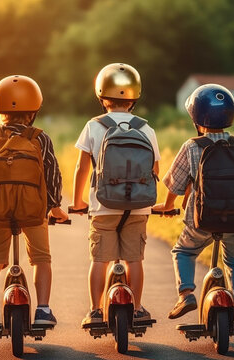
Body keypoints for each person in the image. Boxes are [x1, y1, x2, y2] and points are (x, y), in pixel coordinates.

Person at [0, 75, 68, 329]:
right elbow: (52, 174)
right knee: (41, 259)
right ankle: (43, 310)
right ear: (34, 110)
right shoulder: (40, 138)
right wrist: (55, 208)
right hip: (33, 210)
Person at [152, 83, 234, 321]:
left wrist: (167, 205)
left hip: (200, 221)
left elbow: (175, 185)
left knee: (183, 251)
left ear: (197, 119)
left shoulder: (192, 146)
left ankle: (186, 294)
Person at [70, 63, 161, 326]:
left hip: (103, 205)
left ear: (101, 95)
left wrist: (78, 202)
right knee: (135, 259)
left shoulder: (93, 126)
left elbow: (81, 167)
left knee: (99, 259)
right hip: (138, 207)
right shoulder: (146, 129)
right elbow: (155, 167)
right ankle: (138, 308)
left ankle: (95, 311)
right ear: (134, 97)